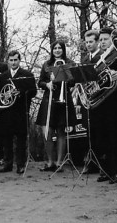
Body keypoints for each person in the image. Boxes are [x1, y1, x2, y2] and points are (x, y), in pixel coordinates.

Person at [88, 28, 117, 184]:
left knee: (116, 138)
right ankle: (106, 171)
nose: (102, 42)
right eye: (100, 40)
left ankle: (116, 172)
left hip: (115, 103)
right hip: (101, 104)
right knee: (103, 139)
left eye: (105, 39)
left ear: (112, 40)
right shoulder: (98, 59)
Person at [35, 41, 77, 172]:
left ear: (63, 50)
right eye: (55, 48)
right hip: (49, 100)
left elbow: (72, 82)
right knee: (46, 131)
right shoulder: (46, 64)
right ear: (52, 50)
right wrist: (47, 84)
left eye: (60, 48)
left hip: (63, 98)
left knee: (60, 131)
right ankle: (50, 162)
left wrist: (61, 76)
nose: (57, 50)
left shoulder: (70, 63)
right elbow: (40, 82)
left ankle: (59, 163)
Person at [0, 50, 35, 174]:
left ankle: (20, 165)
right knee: (7, 139)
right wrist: (5, 97)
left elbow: (33, 92)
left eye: (15, 60)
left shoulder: (27, 74)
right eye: (11, 60)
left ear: (19, 60)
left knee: (21, 140)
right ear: (8, 61)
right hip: (6, 112)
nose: (13, 62)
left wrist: (21, 92)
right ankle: (8, 164)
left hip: (20, 112)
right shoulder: (2, 76)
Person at [80, 29, 104, 175]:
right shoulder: (84, 59)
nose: (88, 44)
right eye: (86, 42)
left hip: (101, 98)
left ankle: (101, 162)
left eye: (91, 42)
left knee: (100, 132)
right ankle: (92, 162)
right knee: (90, 132)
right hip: (89, 99)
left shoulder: (102, 57)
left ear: (97, 42)